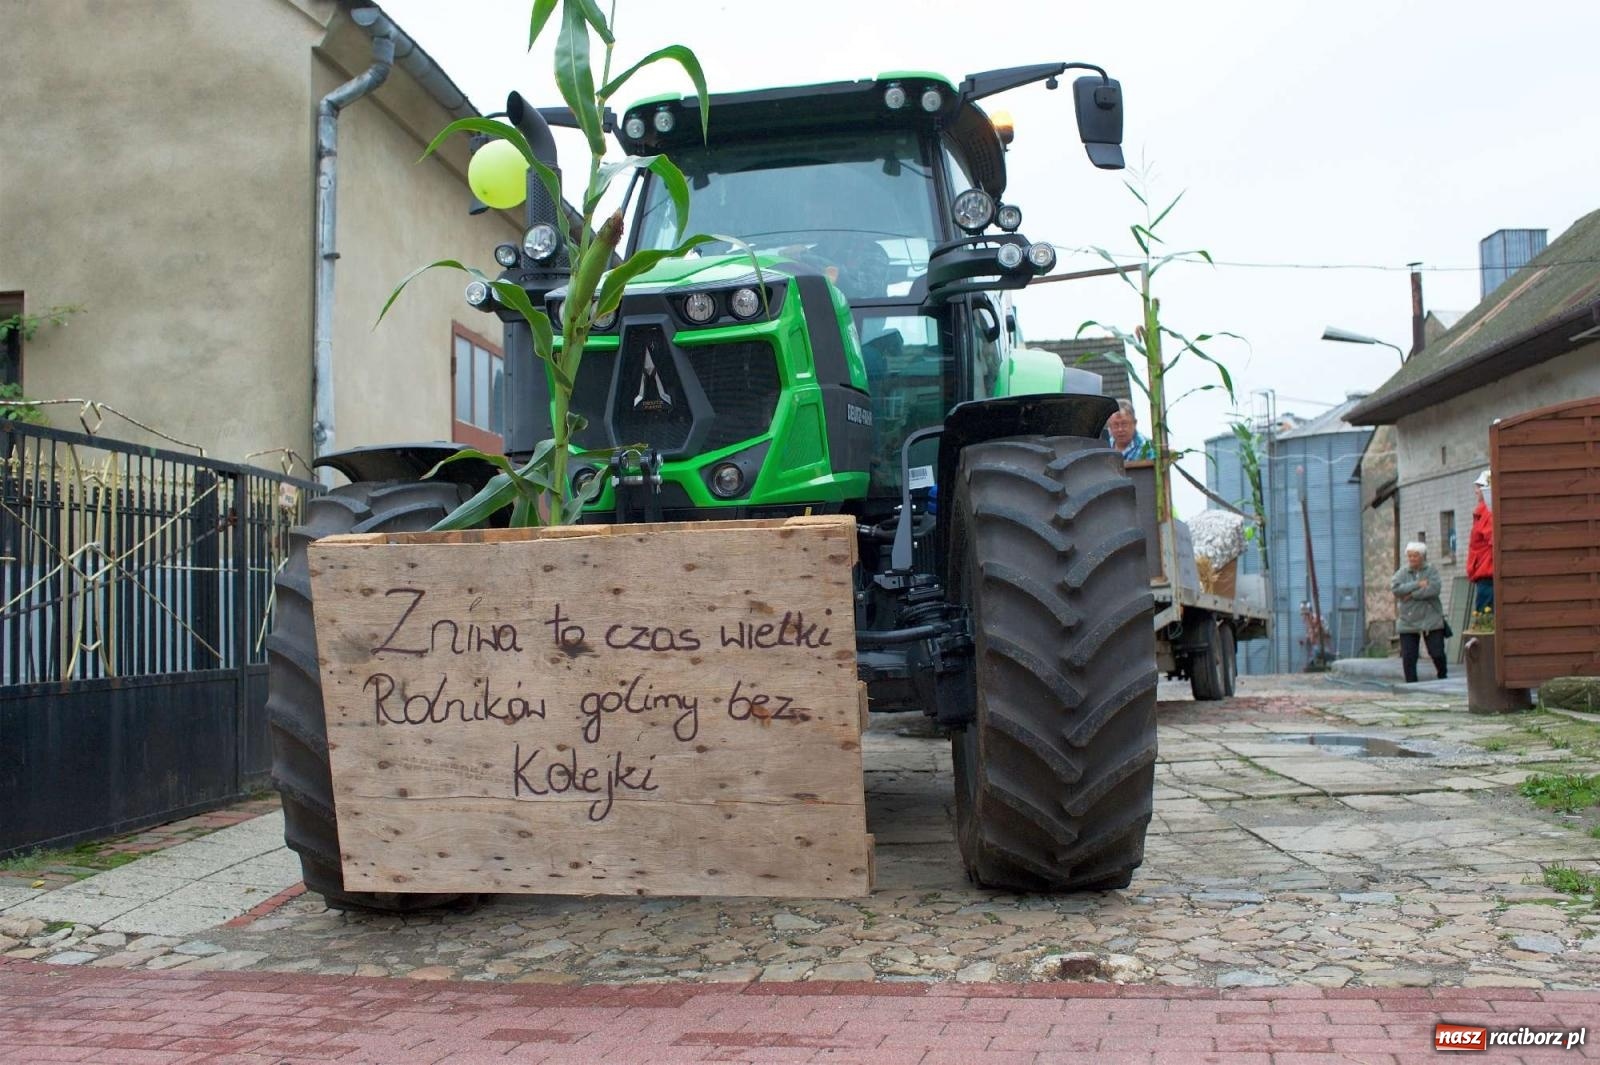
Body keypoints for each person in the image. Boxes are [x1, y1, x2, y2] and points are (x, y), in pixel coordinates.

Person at [1392, 541, 1447, 682]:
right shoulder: (1402, 573)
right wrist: (1417, 584)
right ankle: (1411, 683)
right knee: (1409, 655)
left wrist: (1412, 595)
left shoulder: (1431, 570)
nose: (1412, 559)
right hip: (1408, 619)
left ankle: (1442, 675)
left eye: (1415, 556)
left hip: (1431, 617)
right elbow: (1396, 589)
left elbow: (1434, 589)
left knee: (1437, 653)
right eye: (1409, 556)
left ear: (1422, 557)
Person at [1466, 469, 1494, 615]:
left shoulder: (1487, 514)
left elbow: (1494, 541)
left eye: (1479, 487)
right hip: (1485, 573)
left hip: (1487, 574)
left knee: (1485, 619)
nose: (1476, 491)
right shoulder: (1483, 514)